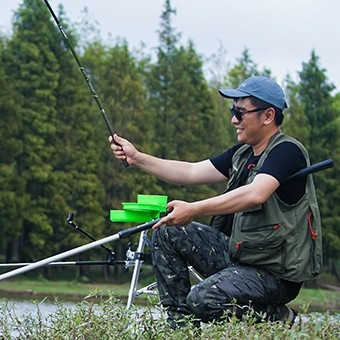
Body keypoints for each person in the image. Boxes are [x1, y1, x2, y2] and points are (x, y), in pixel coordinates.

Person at [109, 76, 322, 327]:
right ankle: (181, 328)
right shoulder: (241, 154)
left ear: (268, 116)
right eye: (234, 111)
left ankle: (280, 318)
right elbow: (190, 172)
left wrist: (194, 209)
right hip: (240, 256)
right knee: (168, 231)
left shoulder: (287, 151)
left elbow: (256, 193)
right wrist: (137, 158)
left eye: (240, 112)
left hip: (274, 274)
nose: (234, 119)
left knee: (202, 299)